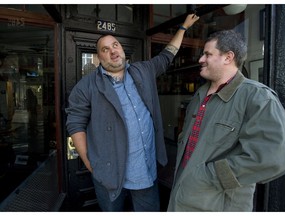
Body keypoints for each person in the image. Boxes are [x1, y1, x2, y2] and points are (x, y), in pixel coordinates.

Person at [66, 14, 199, 212]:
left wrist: (183, 28)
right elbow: (75, 122)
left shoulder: (142, 70)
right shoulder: (86, 86)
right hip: (109, 174)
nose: (112, 51)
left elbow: (167, 56)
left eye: (115, 45)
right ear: (99, 58)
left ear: (122, 49)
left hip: (144, 172)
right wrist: (90, 163)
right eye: (105, 49)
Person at [167, 30, 285, 211]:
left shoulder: (257, 97)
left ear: (228, 57)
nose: (201, 59)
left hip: (220, 205)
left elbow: (274, 157)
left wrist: (210, 176)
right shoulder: (199, 95)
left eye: (208, 54)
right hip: (182, 198)